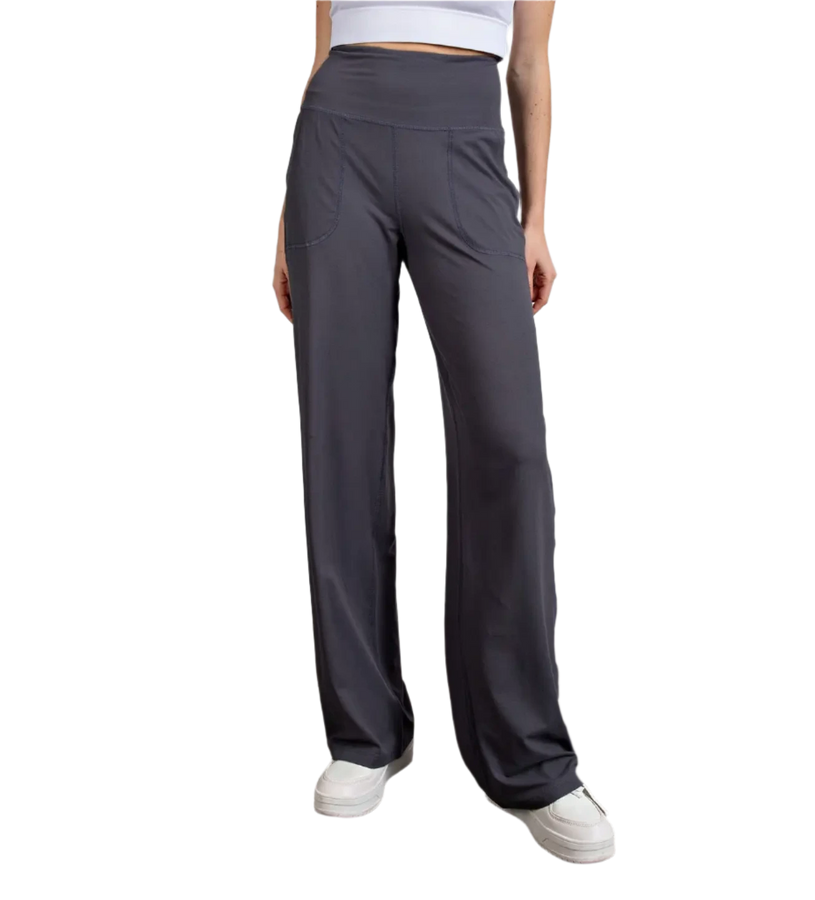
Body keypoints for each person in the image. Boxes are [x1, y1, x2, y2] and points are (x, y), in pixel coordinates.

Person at [270, 0, 617, 865]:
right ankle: (365, 734)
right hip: (335, 141)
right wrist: (282, 215)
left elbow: (531, 63)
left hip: (465, 137)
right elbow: (320, 55)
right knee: (341, 436)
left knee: (510, 445)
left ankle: (528, 759)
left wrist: (536, 218)